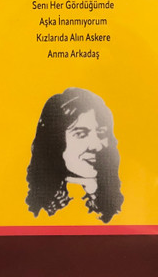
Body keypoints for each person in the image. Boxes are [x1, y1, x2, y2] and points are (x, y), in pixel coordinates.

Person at [26, 87, 123, 223]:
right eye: (81, 134)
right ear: (54, 141)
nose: (96, 146)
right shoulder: (34, 207)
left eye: (101, 133)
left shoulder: (120, 205)